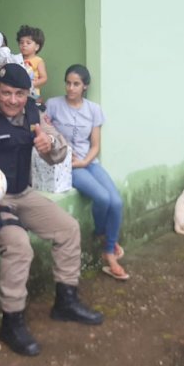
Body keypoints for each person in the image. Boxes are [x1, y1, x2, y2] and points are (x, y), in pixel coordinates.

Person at [0, 63, 103, 357]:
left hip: (23, 193)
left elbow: (58, 152)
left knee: (68, 228)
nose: (12, 100)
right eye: (6, 93)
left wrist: (49, 145)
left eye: (19, 94)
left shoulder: (34, 112)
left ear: (27, 94)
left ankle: (66, 301)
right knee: (20, 246)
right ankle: (12, 321)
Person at [46, 64, 128, 280]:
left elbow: (95, 145)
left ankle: (106, 246)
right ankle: (106, 244)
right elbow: (43, 129)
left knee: (116, 202)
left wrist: (85, 162)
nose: (71, 88)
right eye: (68, 83)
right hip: (66, 164)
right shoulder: (53, 105)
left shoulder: (93, 110)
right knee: (102, 198)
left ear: (85, 86)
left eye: (76, 84)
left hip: (88, 162)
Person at [16, 25, 48, 104]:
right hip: (18, 92)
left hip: (33, 93)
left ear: (36, 47)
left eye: (28, 43)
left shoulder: (38, 61)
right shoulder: (17, 59)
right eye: (21, 42)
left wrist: (31, 84)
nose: (24, 45)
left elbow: (44, 78)